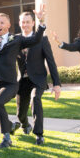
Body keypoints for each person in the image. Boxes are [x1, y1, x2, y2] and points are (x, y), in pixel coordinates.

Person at [0, 5, 46, 148]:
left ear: (8, 25)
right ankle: (11, 126)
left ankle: (7, 139)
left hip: (9, 83)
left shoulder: (16, 40)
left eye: (1, 22)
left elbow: (36, 39)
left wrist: (41, 22)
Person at [14, 12, 61, 145]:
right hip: (22, 80)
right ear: (19, 23)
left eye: (28, 22)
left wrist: (56, 84)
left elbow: (51, 62)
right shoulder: (15, 39)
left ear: (33, 23)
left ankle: (39, 134)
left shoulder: (42, 39)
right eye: (23, 22)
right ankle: (25, 124)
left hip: (38, 79)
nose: (25, 25)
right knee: (20, 114)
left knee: (35, 99)